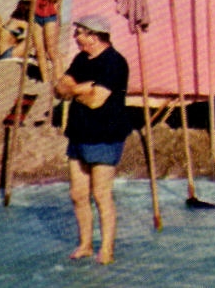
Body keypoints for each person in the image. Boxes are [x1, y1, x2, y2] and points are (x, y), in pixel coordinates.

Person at [56, 14, 130, 264]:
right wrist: (81, 89)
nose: (76, 36)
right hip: (78, 132)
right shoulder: (81, 59)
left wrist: (73, 92)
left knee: (101, 194)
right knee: (78, 194)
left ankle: (107, 248)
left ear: (95, 36)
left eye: (80, 32)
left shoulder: (114, 62)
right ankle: (85, 244)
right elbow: (60, 87)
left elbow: (97, 100)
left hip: (105, 134)